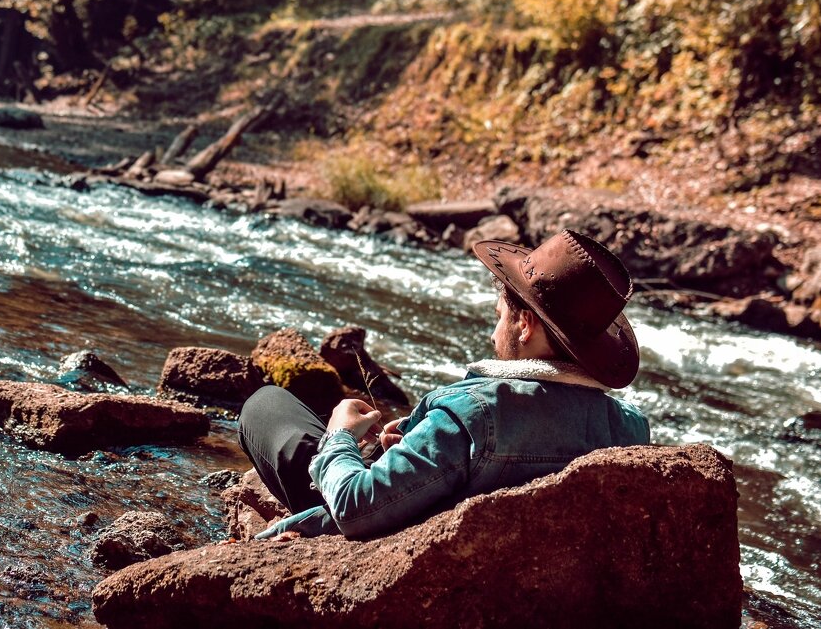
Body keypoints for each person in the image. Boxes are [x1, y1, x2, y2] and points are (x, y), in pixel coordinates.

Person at [238, 229, 651, 540]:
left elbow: (353, 506)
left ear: (525, 324)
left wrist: (339, 436)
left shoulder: (473, 416)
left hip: (380, 535)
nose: (494, 333)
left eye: (499, 316)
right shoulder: (631, 428)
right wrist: (413, 450)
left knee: (266, 405)